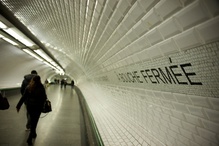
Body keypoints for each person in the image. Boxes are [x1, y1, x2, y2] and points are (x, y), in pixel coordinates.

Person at [16, 75, 47, 145]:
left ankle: (34, 133)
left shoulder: (29, 87)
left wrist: (18, 106)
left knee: (32, 120)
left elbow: (23, 97)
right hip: (38, 107)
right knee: (34, 122)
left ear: (33, 80)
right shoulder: (41, 88)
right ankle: (29, 138)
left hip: (29, 107)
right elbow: (44, 98)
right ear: (39, 80)